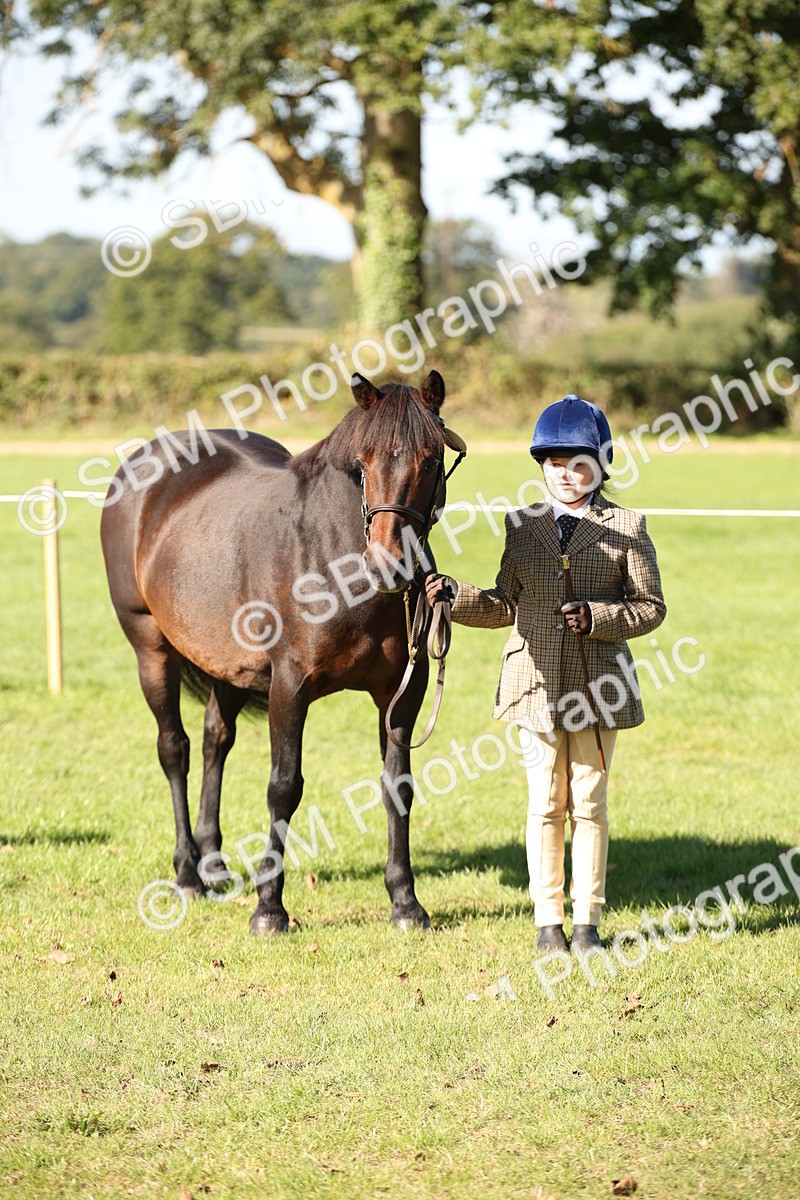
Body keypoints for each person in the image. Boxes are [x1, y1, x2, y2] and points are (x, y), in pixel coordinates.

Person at [426, 395, 666, 954]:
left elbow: (651, 606)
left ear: (601, 465)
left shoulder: (628, 526)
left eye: (578, 463)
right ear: (541, 465)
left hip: (599, 687)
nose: (565, 474)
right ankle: (547, 922)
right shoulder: (522, 526)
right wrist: (455, 597)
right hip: (532, 685)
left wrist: (599, 618)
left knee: (589, 803)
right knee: (544, 803)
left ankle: (587, 923)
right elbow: (504, 604)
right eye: (555, 463)